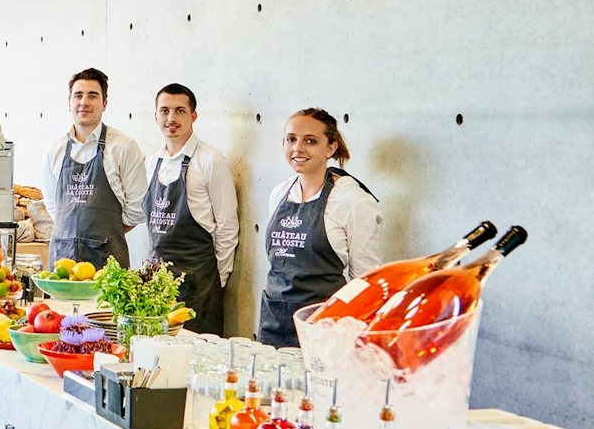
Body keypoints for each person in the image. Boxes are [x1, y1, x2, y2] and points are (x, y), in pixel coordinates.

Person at [258, 108, 383, 347]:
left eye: (311, 141)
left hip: (324, 325)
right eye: (291, 139)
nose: (298, 148)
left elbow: (366, 281)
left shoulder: (353, 200)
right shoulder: (279, 193)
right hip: (272, 319)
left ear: (330, 148)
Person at [140, 84, 238, 336]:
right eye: (164, 111)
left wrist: (217, 282)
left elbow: (227, 226)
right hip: (158, 284)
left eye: (179, 111)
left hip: (199, 284)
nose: (171, 118)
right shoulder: (153, 163)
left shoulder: (210, 160)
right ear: (156, 117)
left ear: (193, 116)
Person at [43, 68, 147, 269]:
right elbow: (52, 203)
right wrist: (73, 232)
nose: (84, 102)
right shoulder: (55, 149)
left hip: (107, 261)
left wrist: (106, 232)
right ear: (69, 103)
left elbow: (138, 207)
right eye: (78, 95)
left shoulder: (123, 147)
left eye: (92, 96)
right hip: (62, 261)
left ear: (104, 103)